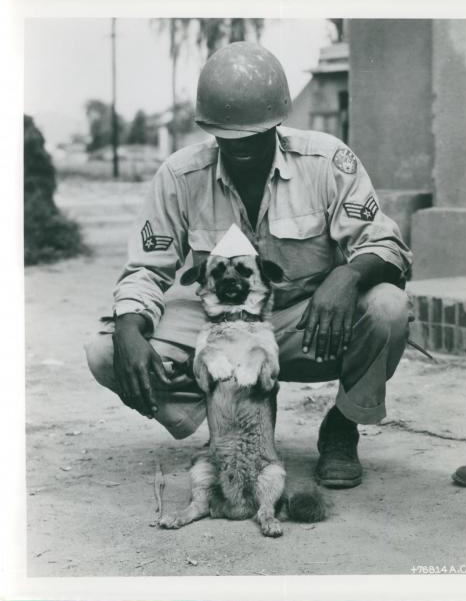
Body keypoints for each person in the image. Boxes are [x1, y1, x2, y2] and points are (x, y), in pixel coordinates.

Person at [85, 42, 412, 489]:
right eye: (224, 133)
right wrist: (127, 324)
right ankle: (231, 422)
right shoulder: (181, 176)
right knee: (106, 351)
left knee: (388, 307)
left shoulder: (325, 161)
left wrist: (348, 274)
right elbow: (147, 269)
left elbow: (387, 245)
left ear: (277, 122)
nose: (238, 145)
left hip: (305, 321)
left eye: (253, 134)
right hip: (219, 328)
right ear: (208, 126)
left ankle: (341, 427)